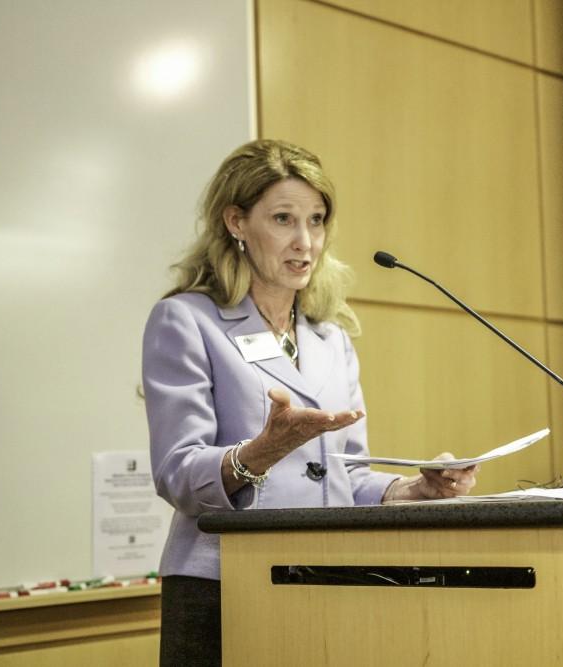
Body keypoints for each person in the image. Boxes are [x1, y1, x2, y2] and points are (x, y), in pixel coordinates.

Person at [142, 139, 478, 665]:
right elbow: (176, 474)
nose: (305, 242)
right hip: (225, 586)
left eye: (317, 220)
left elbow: (345, 475)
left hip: (330, 579)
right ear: (236, 222)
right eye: (283, 219)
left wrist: (414, 489)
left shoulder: (330, 338)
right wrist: (262, 451)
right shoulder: (187, 321)